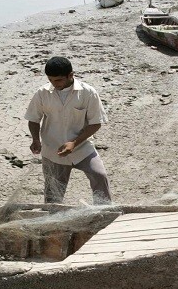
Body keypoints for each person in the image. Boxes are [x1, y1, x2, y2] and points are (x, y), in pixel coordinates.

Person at [24, 56, 112, 204]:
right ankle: (52, 221)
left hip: (82, 146)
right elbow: (33, 119)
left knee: (99, 176)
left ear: (71, 75)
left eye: (58, 80)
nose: (54, 84)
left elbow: (96, 123)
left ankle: (104, 211)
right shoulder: (42, 93)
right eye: (50, 80)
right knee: (53, 194)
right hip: (53, 150)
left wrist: (73, 143)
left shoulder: (88, 93)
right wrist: (35, 139)